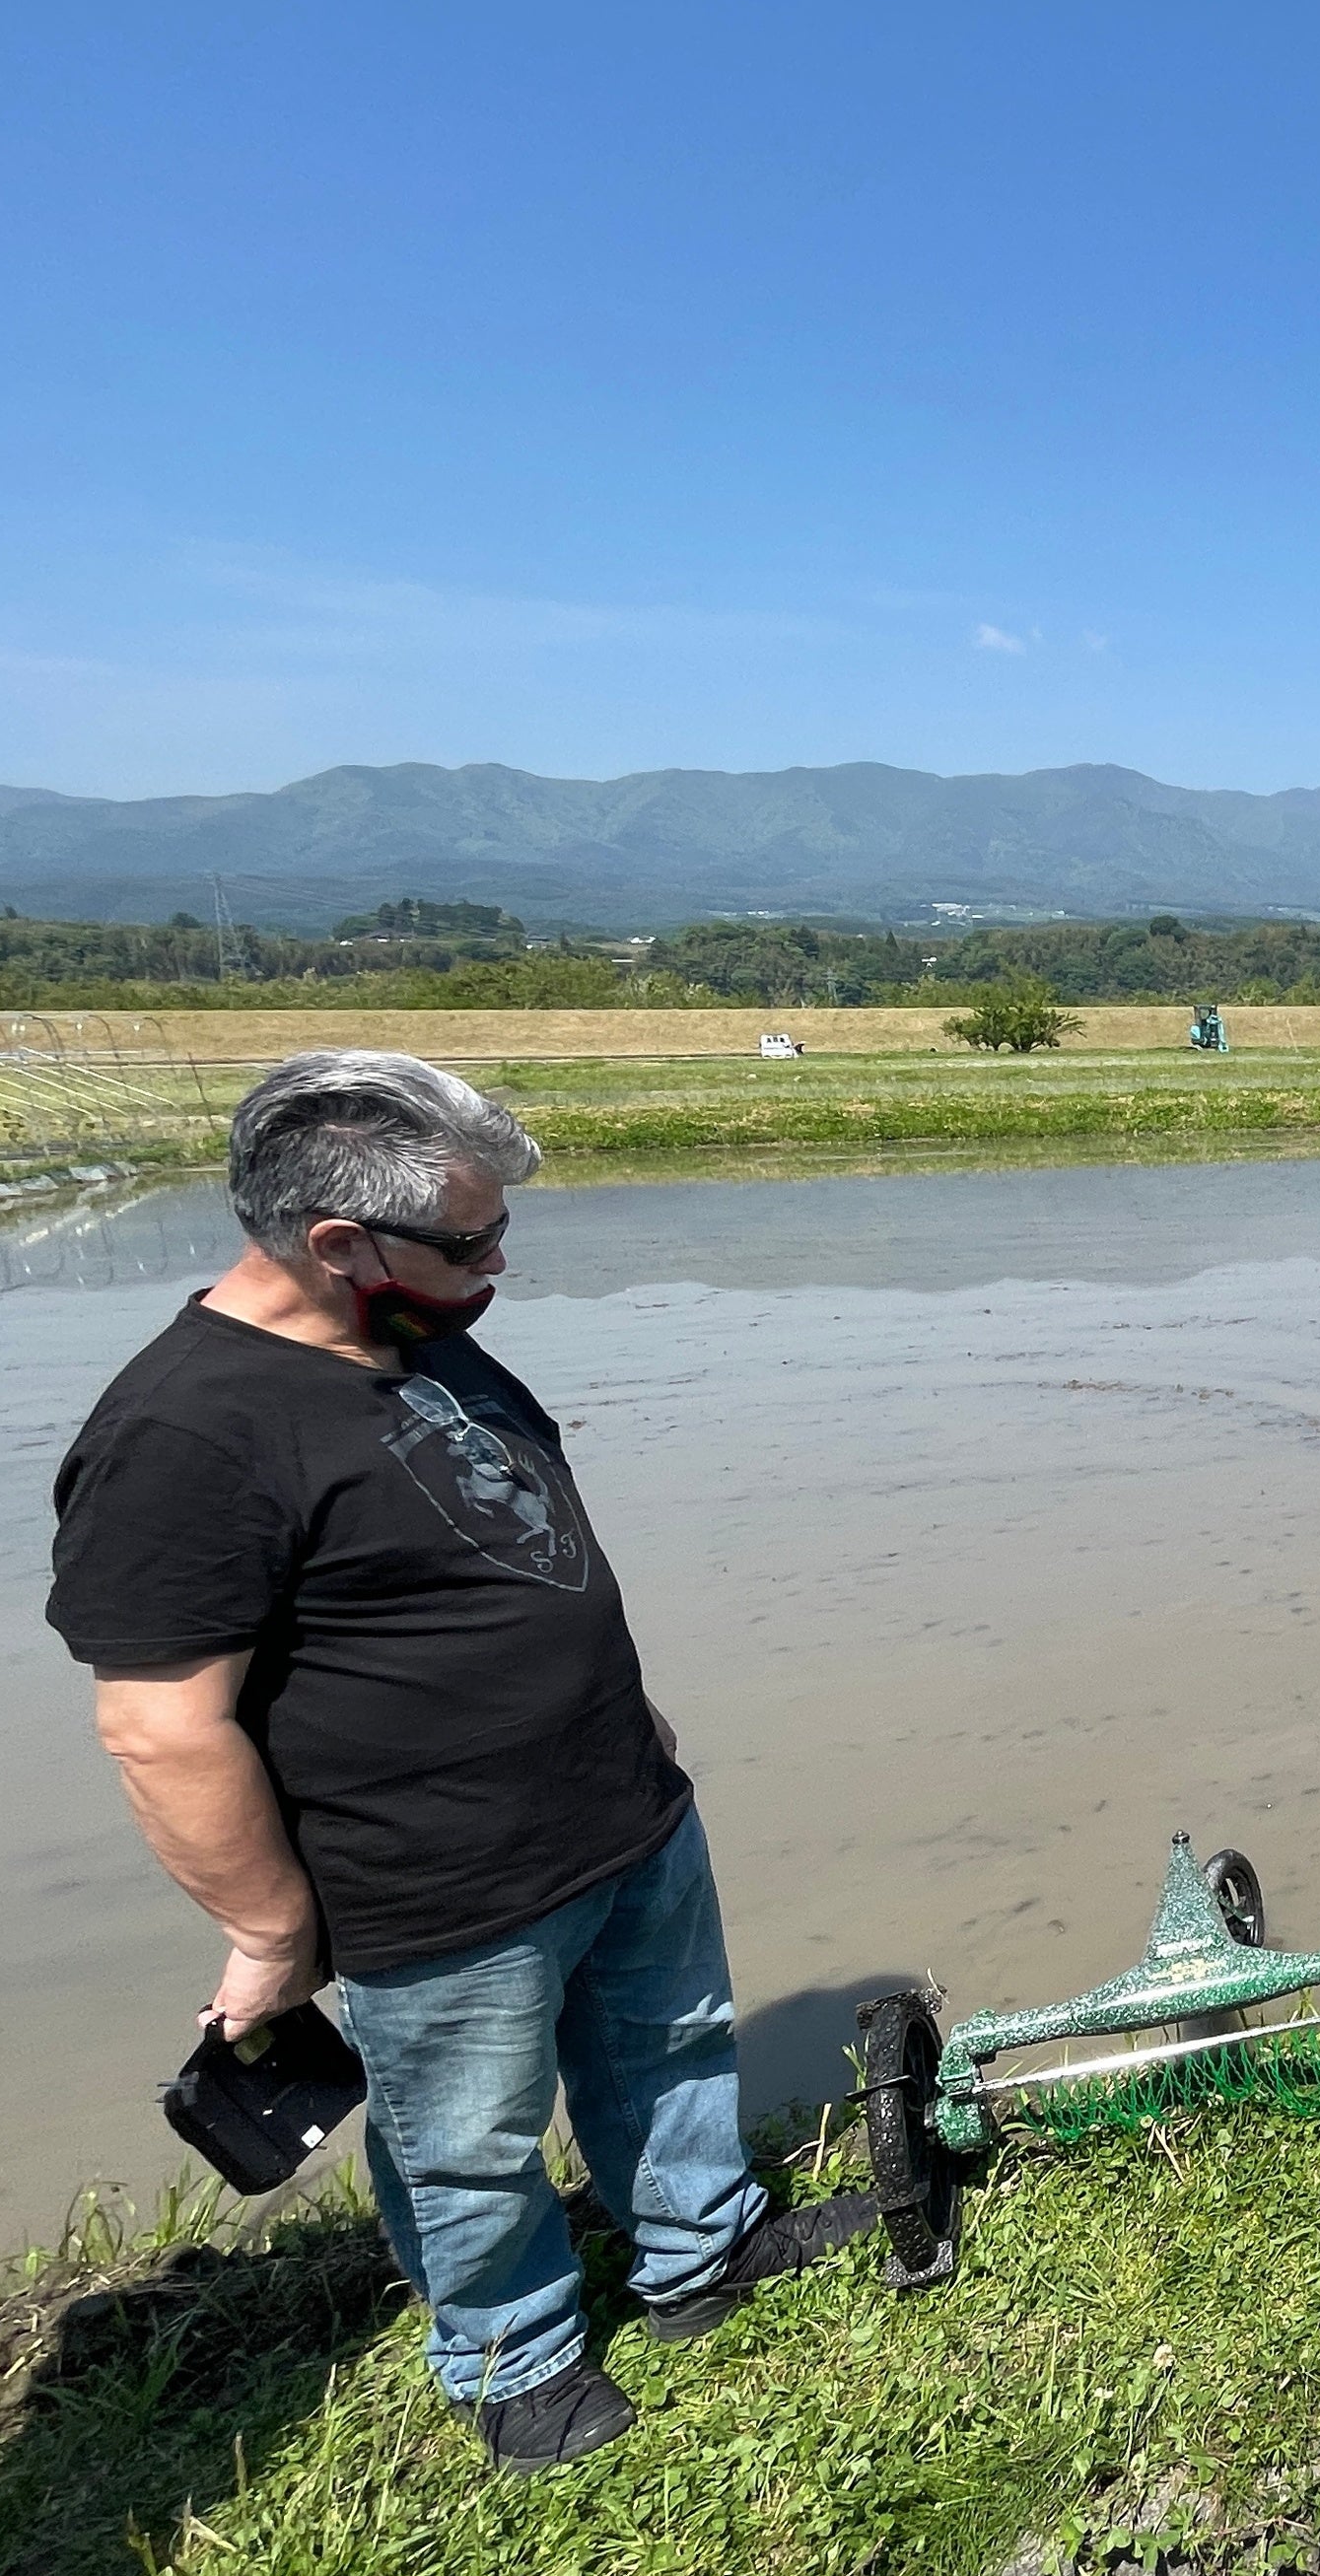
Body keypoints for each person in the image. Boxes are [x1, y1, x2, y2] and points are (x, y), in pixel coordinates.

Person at [47, 1051, 871, 2474]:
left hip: (621, 1810)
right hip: (437, 1883)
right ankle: (518, 2358)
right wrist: (265, 1927)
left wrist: (631, 1710)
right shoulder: (183, 1433)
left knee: (668, 2048)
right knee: (469, 2144)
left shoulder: (407, 1330)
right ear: (335, 1242)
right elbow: (161, 1723)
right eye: (472, 1239)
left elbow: (501, 1541)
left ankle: (704, 2249)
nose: (500, 1261)